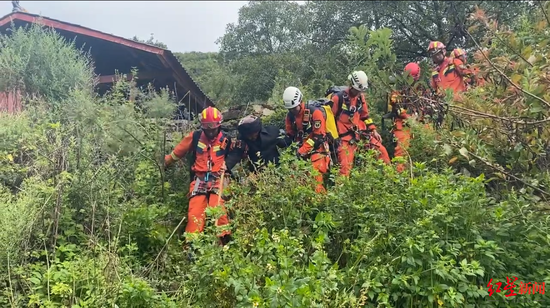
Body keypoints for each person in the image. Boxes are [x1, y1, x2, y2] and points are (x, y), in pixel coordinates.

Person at [164, 106, 232, 246]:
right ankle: (192, 245)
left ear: (219, 126)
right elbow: (177, 153)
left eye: (213, 129)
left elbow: (239, 152)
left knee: (218, 207)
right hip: (199, 179)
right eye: (207, 130)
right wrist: (164, 163)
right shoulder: (195, 137)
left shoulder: (226, 139)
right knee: (195, 213)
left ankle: (224, 241)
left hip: (219, 178)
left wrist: (229, 164)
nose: (211, 132)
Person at [328, 70, 391, 176]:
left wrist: (373, 130)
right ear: (351, 86)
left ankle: (392, 179)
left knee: (382, 151)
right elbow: (329, 119)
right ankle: (340, 189)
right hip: (345, 139)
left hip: (361, 134)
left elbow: (365, 116)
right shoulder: (338, 98)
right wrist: (333, 138)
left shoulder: (360, 98)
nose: (358, 93)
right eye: (357, 90)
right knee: (345, 166)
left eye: (360, 91)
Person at [283, 86, 331, 193]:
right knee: (295, 179)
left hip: (318, 150)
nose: (292, 111)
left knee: (315, 181)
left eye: (294, 108)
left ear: (300, 102)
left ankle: (321, 204)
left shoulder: (315, 113)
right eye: (290, 109)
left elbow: (318, 137)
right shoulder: (290, 117)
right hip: (300, 151)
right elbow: (290, 135)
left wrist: (302, 150)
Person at [225, 115, 291, 174]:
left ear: (257, 130)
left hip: (277, 169)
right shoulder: (242, 140)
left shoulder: (272, 132)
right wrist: (225, 167)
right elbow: (235, 154)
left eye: (252, 134)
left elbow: (286, 144)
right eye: (247, 135)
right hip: (257, 174)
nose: (250, 137)